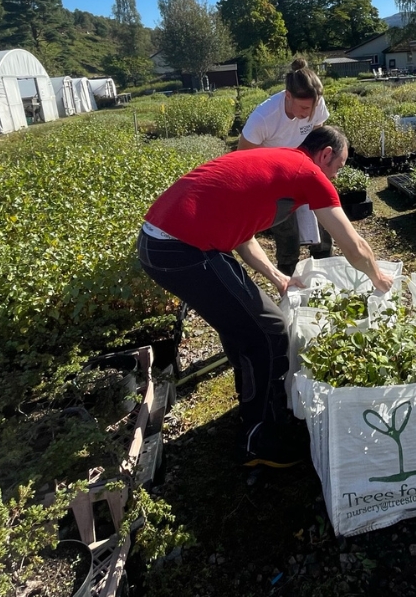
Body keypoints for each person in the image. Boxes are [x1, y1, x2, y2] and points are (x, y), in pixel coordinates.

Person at [138, 127, 392, 468]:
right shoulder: (308, 173)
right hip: (180, 248)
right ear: (326, 154)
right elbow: (353, 244)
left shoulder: (277, 162)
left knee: (244, 322)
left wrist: (278, 278)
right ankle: (262, 440)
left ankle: (251, 403)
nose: (336, 176)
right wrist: (378, 278)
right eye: (339, 167)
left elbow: (243, 235)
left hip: (166, 242)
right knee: (269, 332)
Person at [239, 58, 332, 276]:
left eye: (312, 108)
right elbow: (242, 159)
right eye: (303, 108)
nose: (308, 114)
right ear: (287, 96)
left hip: (302, 168)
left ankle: (326, 274)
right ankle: (288, 281)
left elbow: (317, 137)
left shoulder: (315, 104)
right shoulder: (263, 118)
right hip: (274, 177)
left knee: (323, 225)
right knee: (287, 234)